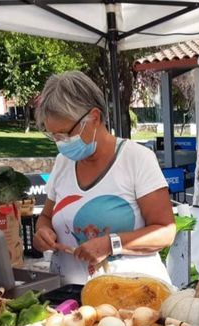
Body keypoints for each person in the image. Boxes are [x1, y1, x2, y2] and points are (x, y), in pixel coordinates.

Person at [33, 71, 176, 285]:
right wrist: (42, 231)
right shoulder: (63, 162)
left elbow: (165, 232)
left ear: (94, 118)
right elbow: (46, 216)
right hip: (70, 296)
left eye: (65, 134)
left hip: (132, 295)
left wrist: (111, 244)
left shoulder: (137, 159)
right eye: (54, 136)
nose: (60, 142)